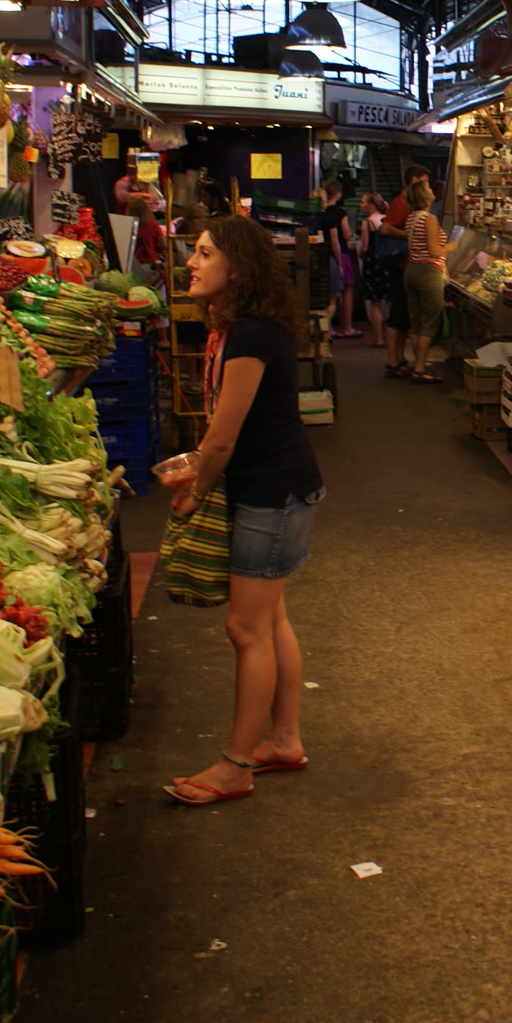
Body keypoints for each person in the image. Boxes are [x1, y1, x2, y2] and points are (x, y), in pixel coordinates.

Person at [162, 216, 324, 807]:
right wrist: (200, 469)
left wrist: (195, 489)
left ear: (239, 268)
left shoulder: (251, 335)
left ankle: (235, 767)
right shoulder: (239, 328)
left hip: (272, 492)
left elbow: (224, 437)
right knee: (270, 618)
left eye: (205, 253)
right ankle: (283, 740)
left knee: (246, 628)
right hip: (274, 484)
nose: (191, 262)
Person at [378, 165, 431, 377]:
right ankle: (393, 360)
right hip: (401, 266)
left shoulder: (408, 204)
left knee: (402, 317)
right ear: (414, 180)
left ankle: (400, 358)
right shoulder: (401, 203)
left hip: (408, 266)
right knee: (398, 315)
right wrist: (410, 236)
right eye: (425, 182)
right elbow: (385, 228)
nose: (427, 186)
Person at [402, 177, 455, 382]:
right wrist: (451, 246)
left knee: (416, 321)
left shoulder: (411, 218)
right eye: (429, 188)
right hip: (429, 272)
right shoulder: (429, 218)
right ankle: (420, 369)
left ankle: (418, 363)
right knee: (429, 322)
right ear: (425, 196)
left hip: (412, 270)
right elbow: (434, 251)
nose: (432, 190)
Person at [316, 179, 360, 337]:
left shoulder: (317, 215)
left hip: (320, 256)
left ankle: (329, 329)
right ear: (338, 194)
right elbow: (346, 234)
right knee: (346, 290)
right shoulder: (339, 212)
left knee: (324, 294)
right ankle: (347, 327)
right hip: (339, 254)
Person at [355, 191, 389, 343]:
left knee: (375, 303)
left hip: (372, 263)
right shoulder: (387, 219)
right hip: (387, 262)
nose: (360, 205)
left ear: (371, 205)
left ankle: (379, 339)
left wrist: (361, 255)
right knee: (390, 301)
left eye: (363, 202)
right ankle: (391, 337)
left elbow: (364, 247)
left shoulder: (367, 222)